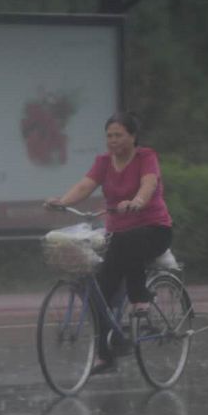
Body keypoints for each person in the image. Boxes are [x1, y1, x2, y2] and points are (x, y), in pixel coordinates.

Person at [45, 111, 173, 375]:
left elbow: (149, 184)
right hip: (119, 237)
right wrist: (63, 202)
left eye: (118, 135)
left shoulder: (145, 157)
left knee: (130, 240)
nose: (112, 140)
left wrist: (137, 202)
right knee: (100, 293)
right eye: (109, 136)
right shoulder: (104, 162)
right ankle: (107, 354)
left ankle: (140, 299)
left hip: (153, 231)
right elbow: (84, 186)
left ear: (133, 136)